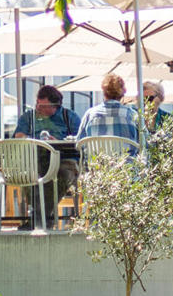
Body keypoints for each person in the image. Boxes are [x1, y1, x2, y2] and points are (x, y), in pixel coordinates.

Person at [11, 85, 78, 227]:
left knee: (63, 175)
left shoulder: (69, 117)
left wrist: (58, 142)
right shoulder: (29, 117)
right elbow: (19, 136)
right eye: (38, 105)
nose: (39, 109)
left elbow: (79, 141)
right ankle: (43, 219)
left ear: (56, 106)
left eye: (44, 106)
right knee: (29, 175)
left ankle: (39, 218)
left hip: (63, 160)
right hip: (35, 159)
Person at [77, 74, 140, 142]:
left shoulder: (90, 115)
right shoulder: (131, 114)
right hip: (125, 152)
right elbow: (146, 142)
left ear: (104, 92)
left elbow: (80, 141)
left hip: (97, 152)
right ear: (123, 92)